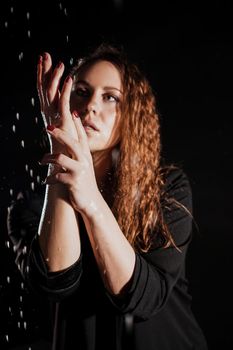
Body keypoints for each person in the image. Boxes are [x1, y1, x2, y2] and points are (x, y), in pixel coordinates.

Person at [7, 43, 208, 350]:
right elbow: (57, 281)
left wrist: (89, 199)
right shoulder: (31, 208)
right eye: (82, 91)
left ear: (130, 115)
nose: (90, 107)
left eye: (110, 97)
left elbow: (142, 298)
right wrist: (61, 147)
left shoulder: (167, 189)